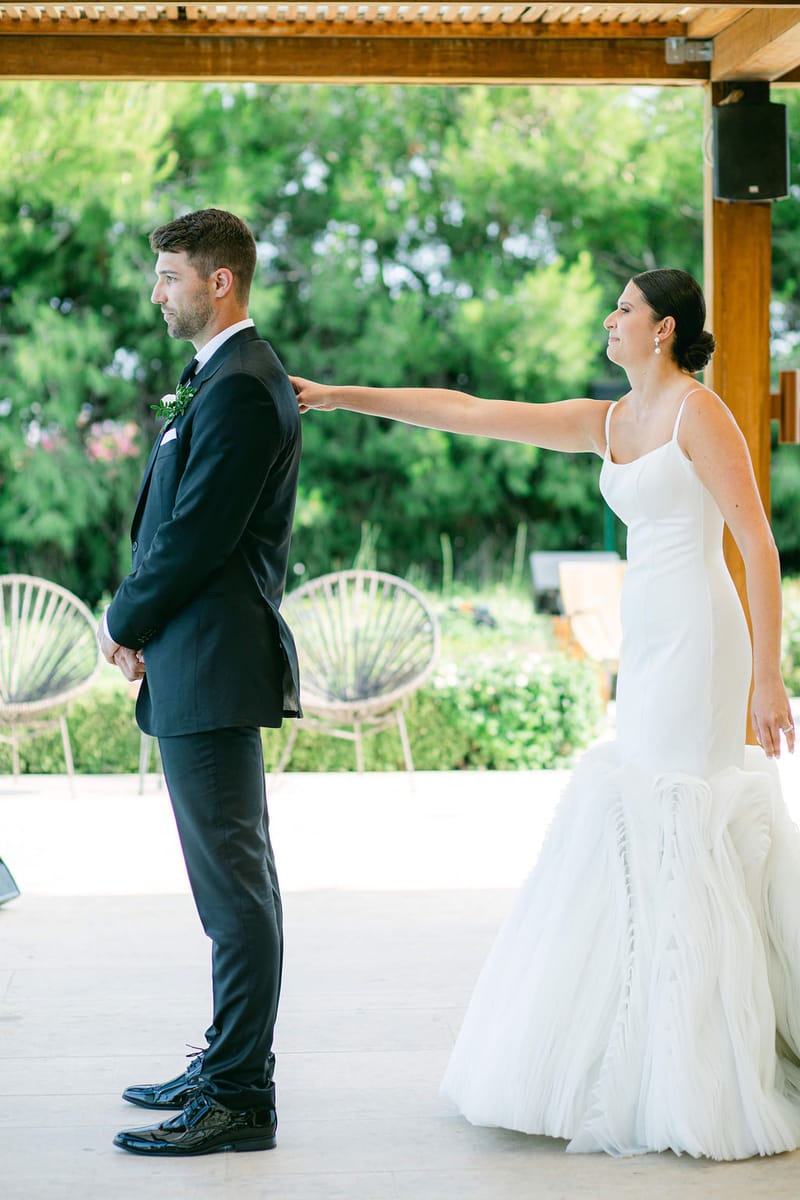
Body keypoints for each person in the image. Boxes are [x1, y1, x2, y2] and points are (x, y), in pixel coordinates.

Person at [292, 268, 800, 1161]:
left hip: (705, 638)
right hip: (649, 643)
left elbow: (757, 542)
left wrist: (769, 673)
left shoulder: (699, 414)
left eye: (625, 309)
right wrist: (339, 395)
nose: (611, 319)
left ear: (665, 329)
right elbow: (472, 411)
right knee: (637, 820)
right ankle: (635, 1039)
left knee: (683, 813)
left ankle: (702, 1064)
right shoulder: (608, 421)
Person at [98, 208, 302, 1157]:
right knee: (230, 883)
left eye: (170, 276)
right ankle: (223, 1062)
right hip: (195, 656)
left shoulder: (244, 389)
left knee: (235, 892)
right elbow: (176, 524)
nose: (157, 292)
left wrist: (127, 617)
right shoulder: (218, 379)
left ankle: (238, 1096)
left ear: (220, 281)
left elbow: (197, 537)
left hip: (214, 663)